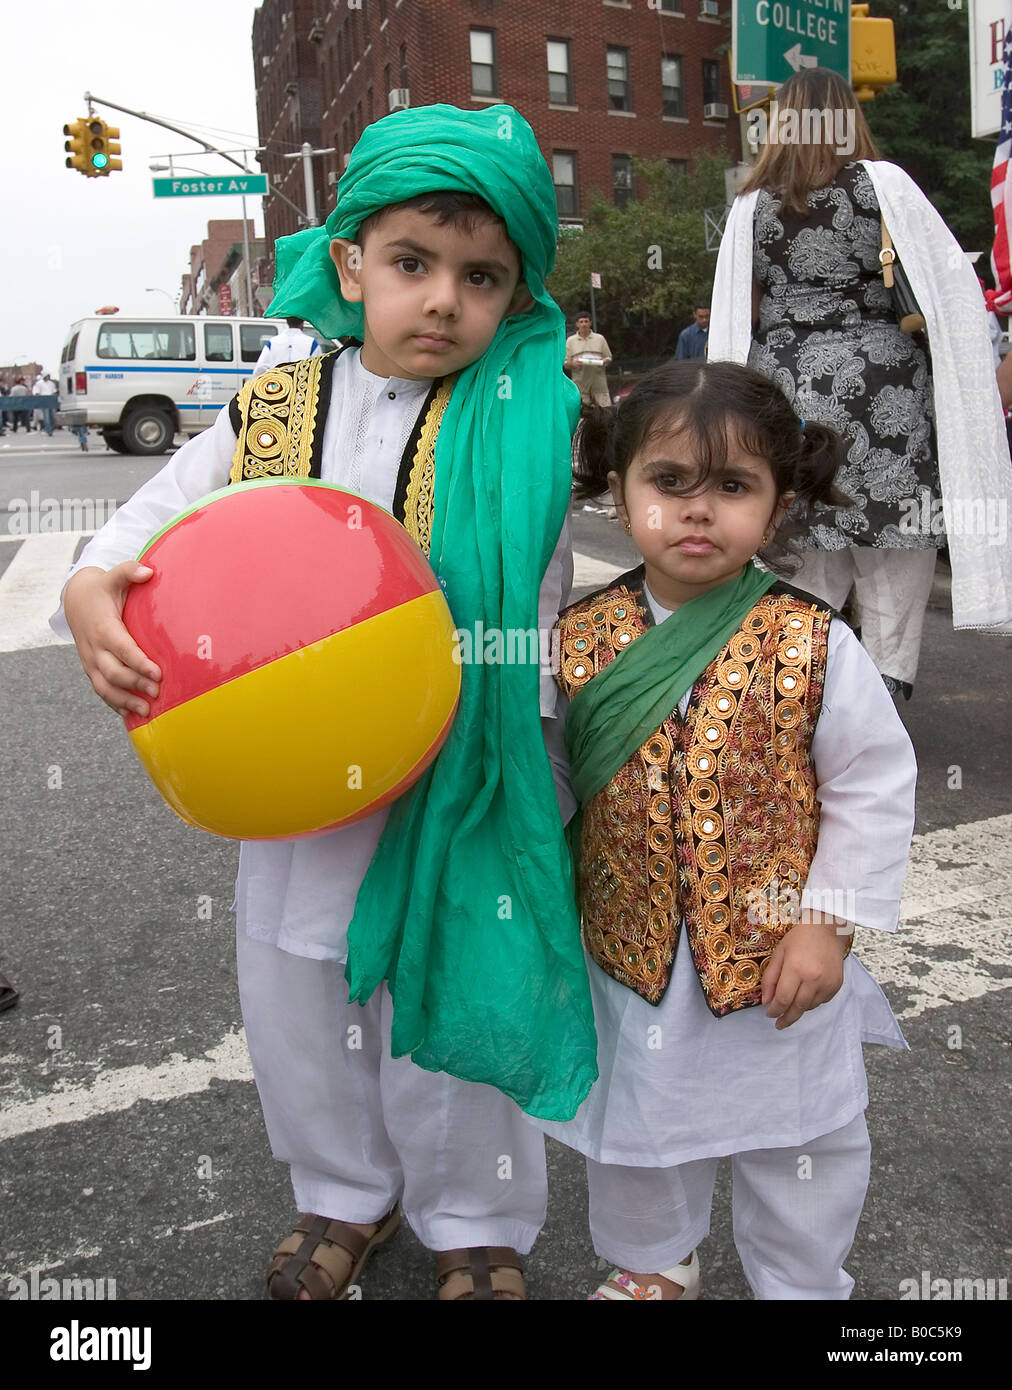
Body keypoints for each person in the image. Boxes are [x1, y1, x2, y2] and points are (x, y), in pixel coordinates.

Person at [52, 102, 596, 1302]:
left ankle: (477, 1218)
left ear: (514, 297)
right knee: (300, 993)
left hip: (460, 771)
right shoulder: (278, 400)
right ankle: (342, 1195)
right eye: (412, 264)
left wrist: (541, 751)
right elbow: (160, 520)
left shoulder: (525, 421)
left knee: (452, 985)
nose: (443, 299)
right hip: (296, 781)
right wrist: (95, 585)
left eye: (482, 276)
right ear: (350, 262)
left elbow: (544, 608)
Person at [539, 359, 917, 1300]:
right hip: (624, 948)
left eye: (734, 487)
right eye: (669, 483)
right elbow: (542, 778)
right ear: (617, 495)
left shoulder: (814, 638)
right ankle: (655, 1264)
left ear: (779, 504)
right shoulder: (575, 640)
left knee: (801, 1138)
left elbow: (870, 783)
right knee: (635, 1128)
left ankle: (802, 1281)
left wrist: (825, 925)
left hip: (774, 954)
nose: (698, 511)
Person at [710, 68, 1012, 697]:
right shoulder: (885, 184)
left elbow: (735, 310)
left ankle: (798, 697)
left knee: (801, 549)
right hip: (884, 391)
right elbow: (949, 284)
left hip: (785, 391)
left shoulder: (750, 204)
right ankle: (885, 693)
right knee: (892, 552)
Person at [565, 312, 613, 406]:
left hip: (599, 383)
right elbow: (565, 362)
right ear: (577, 324)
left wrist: (605, 361)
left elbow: (608, 358)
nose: (584, 324)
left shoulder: (600, 338)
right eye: (581, 322)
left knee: (605, 409)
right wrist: (572, 363)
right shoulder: (570, 341)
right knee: (581, 412)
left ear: (590, 323)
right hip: (580, 383)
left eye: (586, 321)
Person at [252, 316, 322, 375]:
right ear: (302, 323)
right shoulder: (311, 343)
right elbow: (318, 368)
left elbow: (259, 369)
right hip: (301, 386)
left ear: (287, 322)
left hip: (278, 387)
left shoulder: (273, 342)